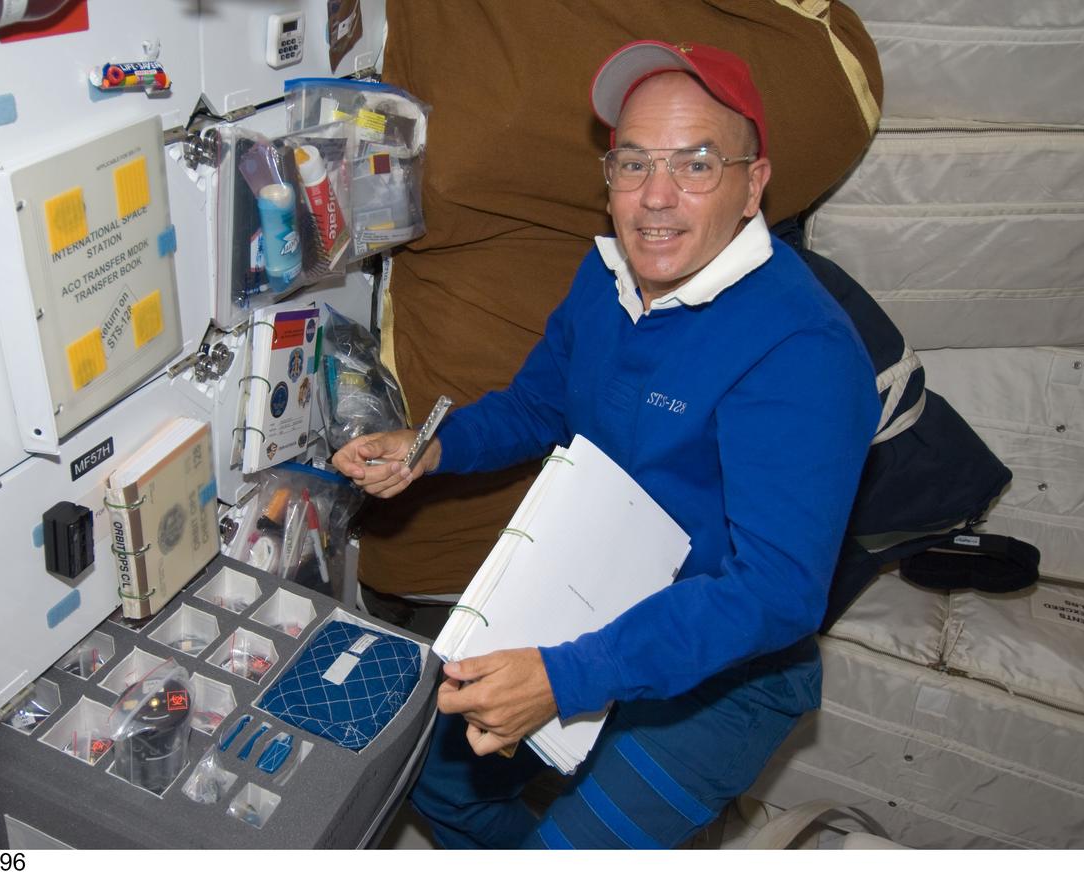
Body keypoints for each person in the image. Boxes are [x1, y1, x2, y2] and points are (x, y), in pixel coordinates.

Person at [334, 40, 880, 849]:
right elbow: (538, 406)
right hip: (589, 608)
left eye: (696, 165)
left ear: (752, 184)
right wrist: (432, 446)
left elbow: (774, 592)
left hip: (727, 672)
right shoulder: (607, 278)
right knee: (426, 777)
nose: (655, 198)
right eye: (632, 164)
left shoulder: (804, 352)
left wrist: (565, 678)